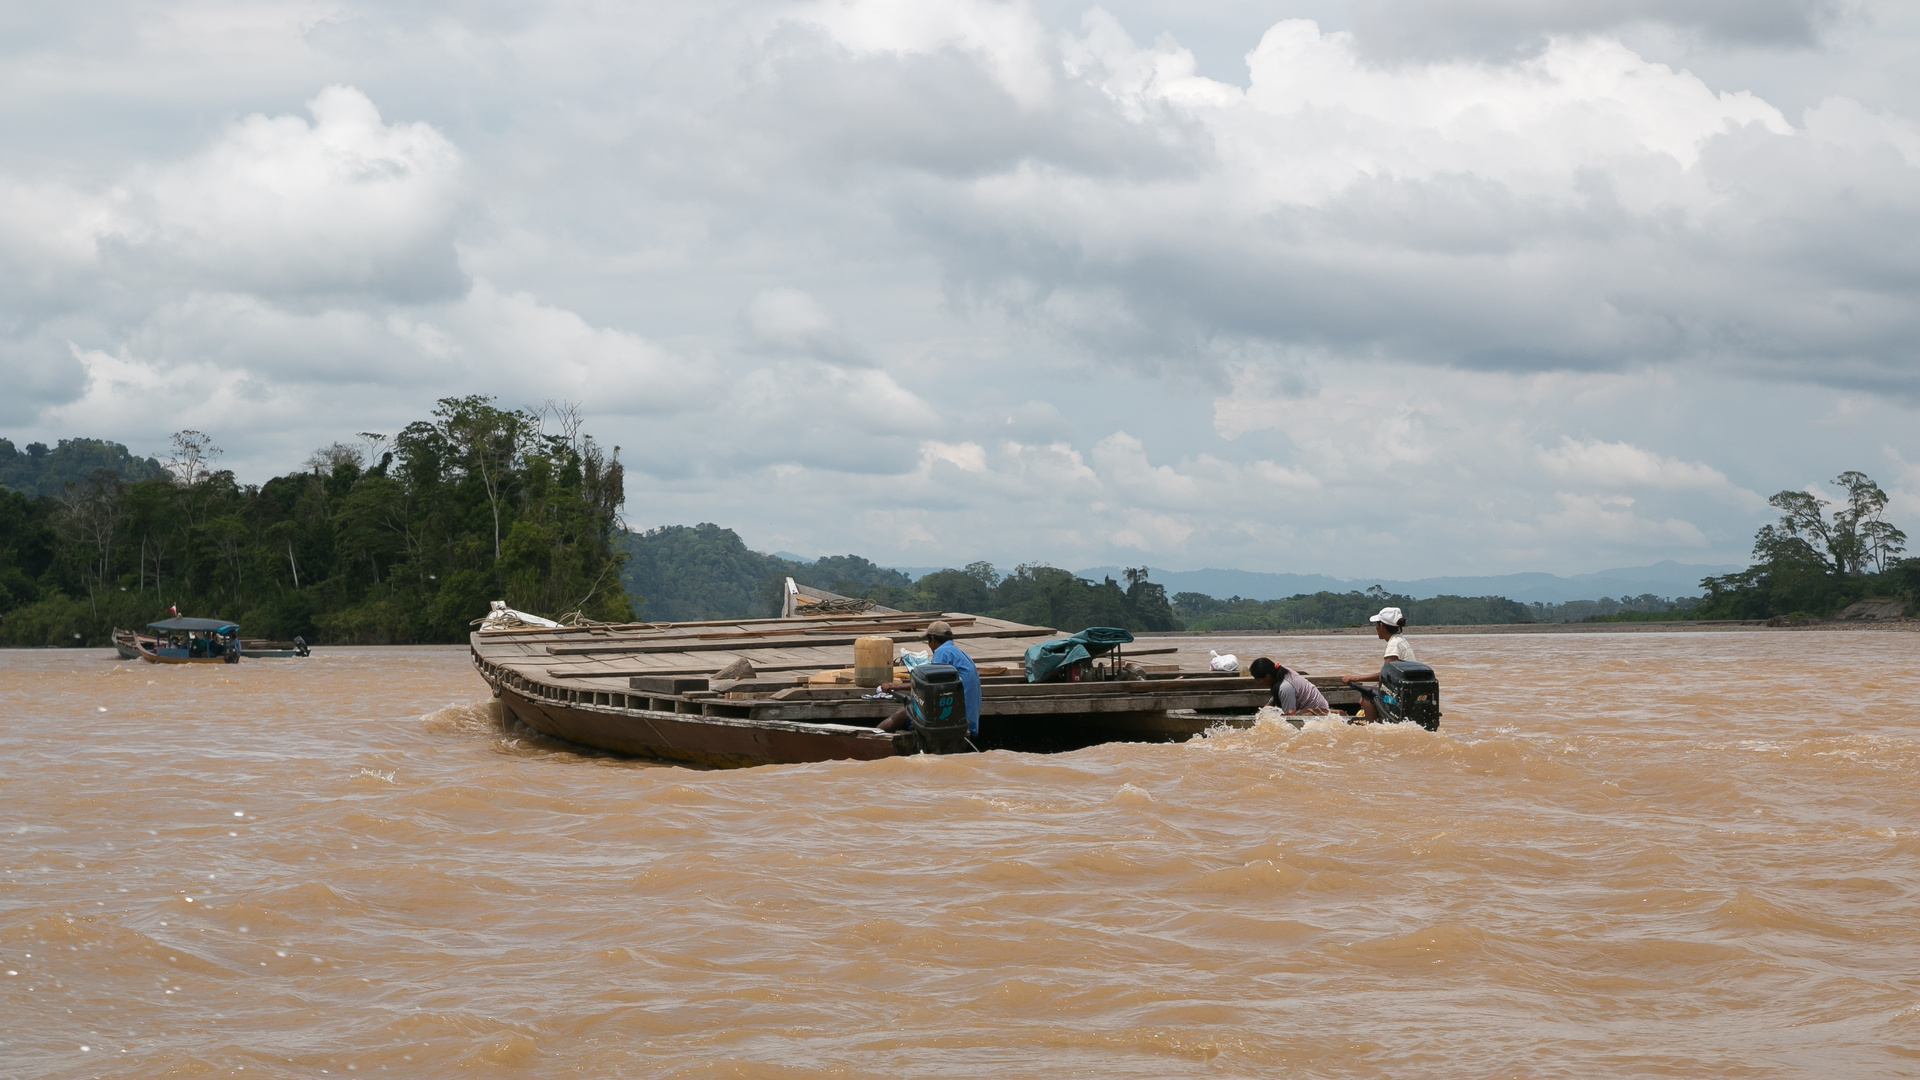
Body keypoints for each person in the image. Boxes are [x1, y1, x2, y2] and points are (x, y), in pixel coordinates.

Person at [877, 621, 982, 738]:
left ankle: (871, 737)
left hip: (956, 718)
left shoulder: (942, 652)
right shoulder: (958, 653)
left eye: (928, 641)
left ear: (932, 639)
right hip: (968, 719)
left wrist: (895, 686)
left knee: (904, 711)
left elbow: (929, 684)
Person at [1343, 606, 1417, 722]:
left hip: (1399, 693)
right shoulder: (1400, 640)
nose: (1376, 628)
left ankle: (1371, 727)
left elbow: (1385, 676)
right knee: (1373, 689)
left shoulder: (1393, 645)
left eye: (1376, 625)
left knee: (1366, 697)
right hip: (1406, 689)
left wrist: (1354, 678)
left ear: (1381, 626)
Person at [1247, 657, 1329, 715]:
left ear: (1268, 676)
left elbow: (1289, 716)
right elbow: (1275, 697)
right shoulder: (1281, 672)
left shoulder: (1285, 687)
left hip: (1318, 712)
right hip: (1315, 708)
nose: (1258, 682)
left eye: (1258, 679)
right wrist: (1262, 711)